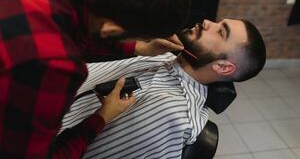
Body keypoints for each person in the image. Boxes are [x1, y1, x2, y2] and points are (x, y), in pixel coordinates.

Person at [0, 0, 191, 158]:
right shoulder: (54, 66)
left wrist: (136, 46)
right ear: (111, 29)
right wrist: (101, 117)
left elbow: (63, 22)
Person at [60, 18, 266, 158]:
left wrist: (101, 117)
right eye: (217, 21)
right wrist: (140, 47)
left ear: (222, 67)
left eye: (220, 32)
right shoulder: (164, 54)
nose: (207, 22)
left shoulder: (172, 114)